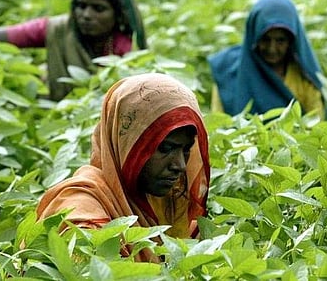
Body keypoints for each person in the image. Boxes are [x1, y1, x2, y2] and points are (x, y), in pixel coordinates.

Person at [36, 73, 210, 262]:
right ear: (127, 145)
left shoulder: (168, 202)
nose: (180, 166)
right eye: (165, 148)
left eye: (186, 150)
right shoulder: (81, 213)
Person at [0, 0, 147, 101]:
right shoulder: (59, 28)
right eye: (81, 6)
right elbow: (2, 36)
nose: (86, 15)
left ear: (118, 14)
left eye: (98, 9)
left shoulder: (124, 46)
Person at [208, 0, 325, 118]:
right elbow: (218, 124)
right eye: (265, 39)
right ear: (254, 37)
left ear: (291, 41)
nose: (272, 49)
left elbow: (317, 125)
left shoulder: (304, 78)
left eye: (280, 41)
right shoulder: (227, 72)